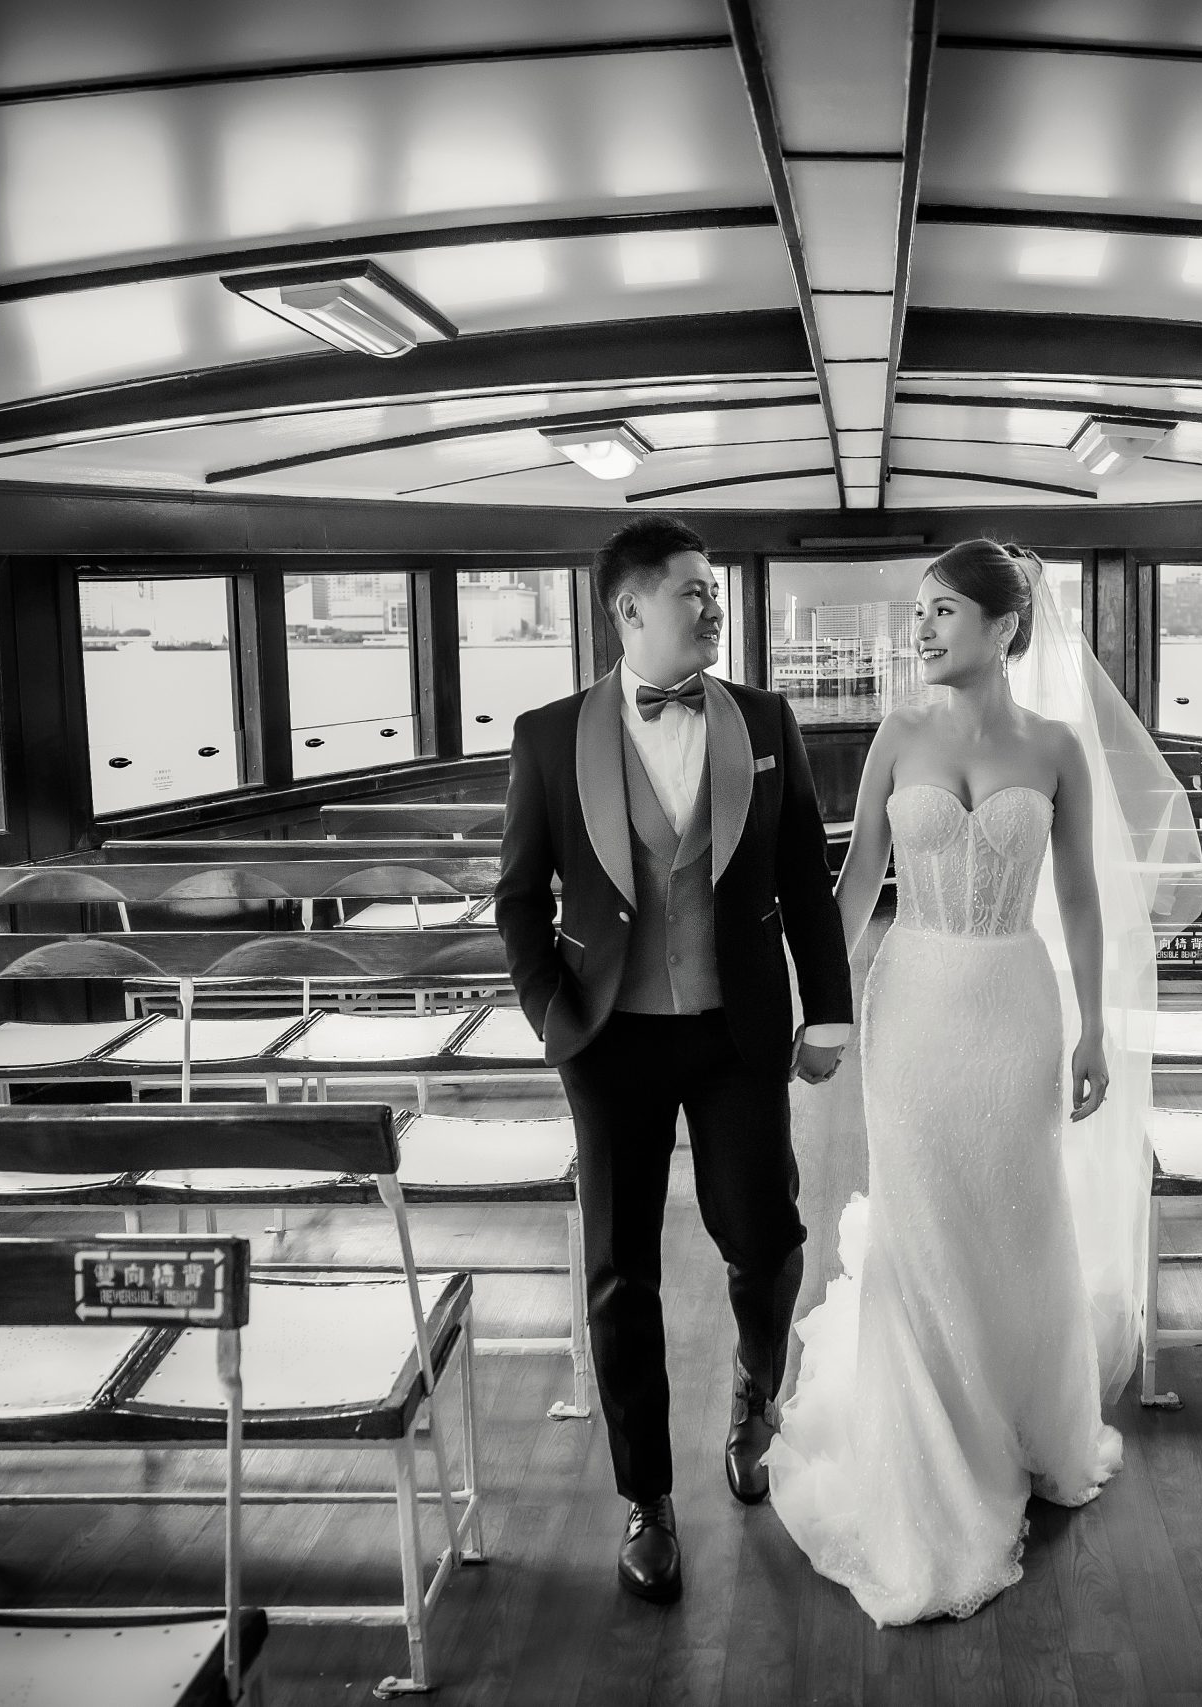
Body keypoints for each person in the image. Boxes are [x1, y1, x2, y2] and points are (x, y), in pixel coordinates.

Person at [768, 540, 1202, 1626]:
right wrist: (817, 1006)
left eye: (944, 610)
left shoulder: (1054, 746)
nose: (920, 628)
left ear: (1005, 626)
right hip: (913, 1001)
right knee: (920, 1215)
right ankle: (922, 1450)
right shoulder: (897, 733)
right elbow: (857, 880)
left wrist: (1096, 1030)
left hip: (1015, 1002)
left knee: (1011, 1212)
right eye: (919, 611)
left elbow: (1086, 897)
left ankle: (1011, 1414)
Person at [494, 515, 854, 1606]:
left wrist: (828, 1012)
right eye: (693, 590)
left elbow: (804, 876)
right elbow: (518, 898)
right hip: (608, 1040)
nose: (712, 605)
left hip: (737, 1031)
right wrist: (551, 1015)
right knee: (619, 1270)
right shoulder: (548, 736)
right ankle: (646, 1498)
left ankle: (755, 1391)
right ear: (629, 608)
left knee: (766, 1235)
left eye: (714, 589)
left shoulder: (765, 720)